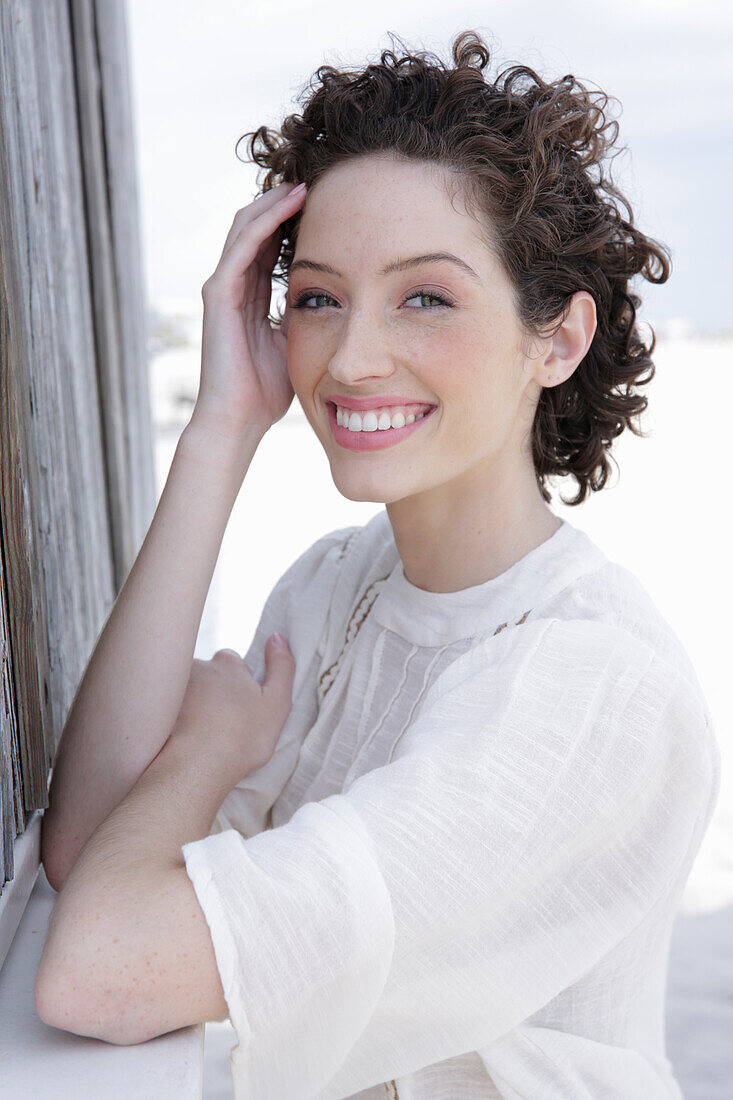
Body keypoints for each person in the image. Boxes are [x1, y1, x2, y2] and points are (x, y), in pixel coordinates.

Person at [37, 29, 720, 1100]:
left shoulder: (591, 687)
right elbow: (89, 850)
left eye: (425, 297)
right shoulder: (334, 587)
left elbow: (97, 967)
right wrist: (222, 427)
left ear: (557, 339)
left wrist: (206, 750)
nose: (351, 356)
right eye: (316, 296)